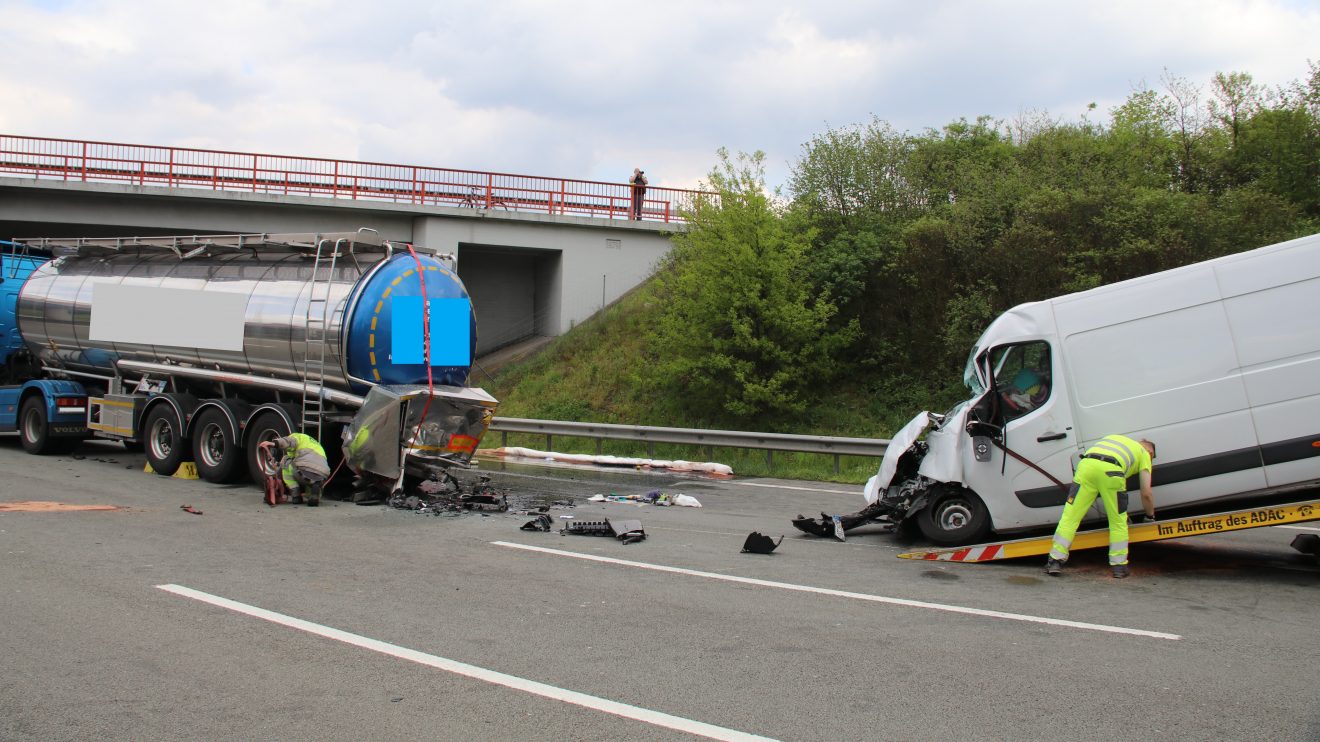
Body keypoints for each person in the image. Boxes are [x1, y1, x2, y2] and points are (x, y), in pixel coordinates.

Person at [1045, 435, 1156, 578]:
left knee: (1070, 517)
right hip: (1112, 471)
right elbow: (1146, 493)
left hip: (1086, 466)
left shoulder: (1116, 438)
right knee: (1118, 522)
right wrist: (1150, 516)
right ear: (1151, 452)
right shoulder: (1144, 453)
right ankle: (1119, 567)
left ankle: (1055, 561)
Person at [259, 432, 331, 506]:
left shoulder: (296, 437)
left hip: (305, 470)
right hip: (322, 475)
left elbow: (288, 441)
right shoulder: (313, 443)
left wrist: (272, 443)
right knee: (311, 482)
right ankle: (314, 494)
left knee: (286, 463)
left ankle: (296, 496)